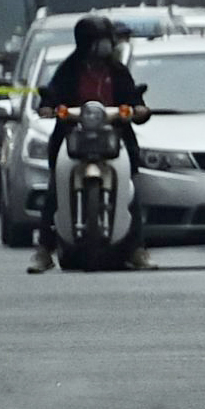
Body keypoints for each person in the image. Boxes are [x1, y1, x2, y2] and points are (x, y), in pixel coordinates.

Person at [28, 15, 144, 273]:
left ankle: (137, 248)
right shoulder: (69, 69)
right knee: (54, 189)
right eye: (99, 41)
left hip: (114, 136)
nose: (105, 47)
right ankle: (44, 250)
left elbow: (132, 95)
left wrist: (137, 108)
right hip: (73, 136)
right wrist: (48, 106)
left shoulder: (117, 71)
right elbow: (53, 92)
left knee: (131, 188)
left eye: (107, 41)